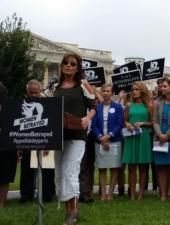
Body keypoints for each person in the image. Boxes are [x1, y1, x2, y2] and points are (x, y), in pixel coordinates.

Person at [52, 53, 97, 225]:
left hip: (77, 135)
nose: (68, 65)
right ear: (61, 65)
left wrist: (86, 119)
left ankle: (73, 212)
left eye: (73, 63)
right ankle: (67, 209)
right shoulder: (55, 86)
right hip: (58, 135)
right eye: (66, 63)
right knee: (60, 172)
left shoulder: (83, 85)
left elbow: (93, 107)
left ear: (77, 68)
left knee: (70, 171)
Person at [18, 80, 55, 204]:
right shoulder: (21, 106)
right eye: (31, 92)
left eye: (36, 92)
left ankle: (46, 196)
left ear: (40, 91)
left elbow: (52, 126)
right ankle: (26, 197)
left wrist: (49, 143)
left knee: (47, 173)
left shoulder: (48, 105)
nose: (33, 95)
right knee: (26, 173)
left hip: (45, 143)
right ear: (27, 91)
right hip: (27, 143)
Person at [92, 84, 124, 201]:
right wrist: (101, 137)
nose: (105, 93)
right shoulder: (96, 107)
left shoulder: (117, 107)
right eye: (103, 91)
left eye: (108, 91)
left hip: (114, 140)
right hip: (99, 141)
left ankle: (110, 194)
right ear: (101, 92)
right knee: (102, 168)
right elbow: (94, 125)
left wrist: (109, 136)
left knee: (114, 168)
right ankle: (103, 195)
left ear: (112, 93)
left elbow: (120, 124)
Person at [122, 81, 154, 200]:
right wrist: (128, 124)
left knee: (142, 167)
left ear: (142, 91)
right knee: (131, 167)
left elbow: (153, 122)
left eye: (136, 89)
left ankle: (140, 194)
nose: (134, 92)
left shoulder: (149, 106)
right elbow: (125, 120)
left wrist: (143, 123)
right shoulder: (129, 105)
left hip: (143, 136)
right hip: (131, 136)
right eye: (133, 89)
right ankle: (132, 194)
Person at [79, 86, 101, 203]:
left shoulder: (95, 107)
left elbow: (101, 102)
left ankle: (88, 192)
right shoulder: (80, 105)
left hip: (91, 137)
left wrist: (95, 91)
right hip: (79, 136)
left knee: (89, 166)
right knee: (79, 166)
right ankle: (78, 192)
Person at [0, 83, 17, 208]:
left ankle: (0, 203)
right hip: (8, 146)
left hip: (6, 146)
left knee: (4, 176)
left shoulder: (9, 110)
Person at [145, 89, 158, 195]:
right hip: (145, 135)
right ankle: (144, 187)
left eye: (151, 93)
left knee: (154, 163)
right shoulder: (144, 105)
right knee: (145, 164)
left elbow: (153, 121)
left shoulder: (153, 106)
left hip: (152, 135)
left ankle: (154, 187)